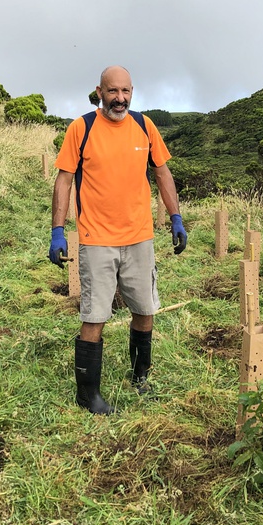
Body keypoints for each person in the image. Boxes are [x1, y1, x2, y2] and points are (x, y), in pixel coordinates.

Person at [48, 65, 187, 413]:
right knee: (94, 315)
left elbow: (162, 171)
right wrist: (57, 230)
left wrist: (176, 217)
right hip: (96, 240)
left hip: (139, 237)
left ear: (132, 91)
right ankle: (89, 394)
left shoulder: (144, 126)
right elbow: (64, 181)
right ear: (99, 92)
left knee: (144, 309)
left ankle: (140, 376)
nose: (120, 99)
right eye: (112, 91)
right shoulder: (82, 128)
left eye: (125, 91)